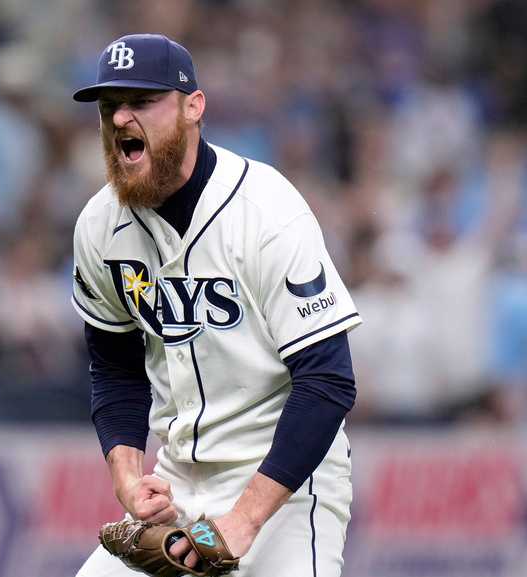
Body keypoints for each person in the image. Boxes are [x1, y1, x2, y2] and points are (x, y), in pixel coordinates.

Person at [70, 34, 361, 577]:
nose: (122, 119)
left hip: (285, 485)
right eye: (110, 107)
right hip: (179, 479)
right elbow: (115, 366)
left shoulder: (267, 211)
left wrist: (244, 519)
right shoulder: (99, 224)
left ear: (193, 107)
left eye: (143, 101)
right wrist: (128, 479)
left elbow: (327, 381)